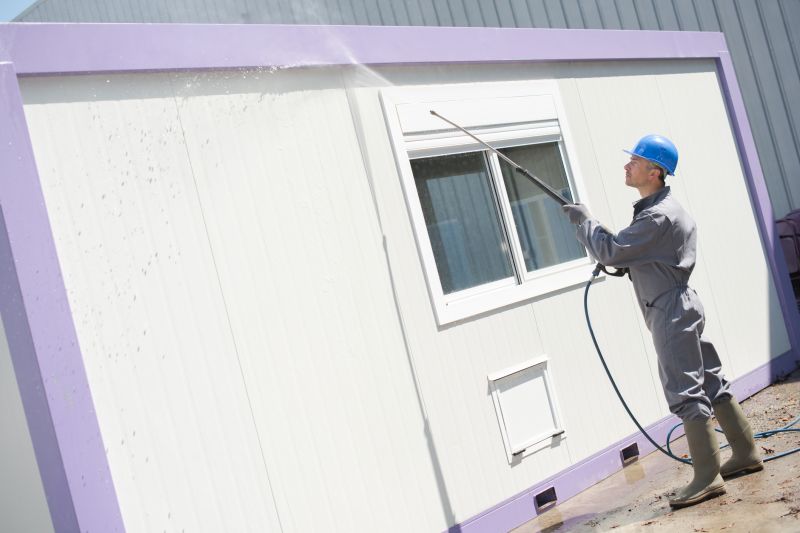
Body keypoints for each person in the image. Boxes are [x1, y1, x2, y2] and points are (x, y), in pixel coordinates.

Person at [561, 135, 763, 509]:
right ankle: (746, 452)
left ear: (655, 172)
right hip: (680, 302)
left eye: (634, 161)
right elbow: (632, 254)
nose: (626, 166)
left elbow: (612, 250)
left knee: (685, 390)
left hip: (670, 310)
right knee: (709, 379)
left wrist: (584, 221)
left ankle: (707, 477)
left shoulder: (657, 216)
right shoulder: (660, 209)